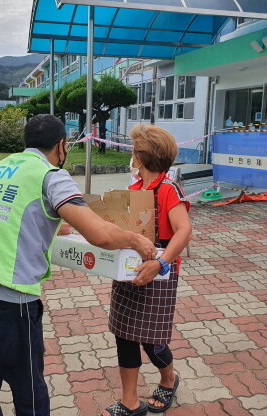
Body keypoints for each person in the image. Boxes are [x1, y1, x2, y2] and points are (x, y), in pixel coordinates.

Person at [0, 114, 156, 416]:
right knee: (28, 391)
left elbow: (28, 217)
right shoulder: (50, 175)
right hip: (3, 301)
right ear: (61, 146)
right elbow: (99, 234)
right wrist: (136, 240)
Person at [103, 124, 192, 416]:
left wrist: (161, 262)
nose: (132, 158)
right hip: (128, 272)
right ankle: (129, 401)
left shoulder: (168, 189)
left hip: (159, 273)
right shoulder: (132, 190)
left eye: (134, 152)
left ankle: (169, 378)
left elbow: (184, 231)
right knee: (124, 335)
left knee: (152, 340)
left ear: (142, 157)